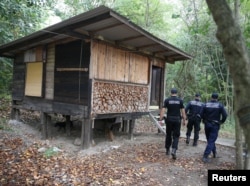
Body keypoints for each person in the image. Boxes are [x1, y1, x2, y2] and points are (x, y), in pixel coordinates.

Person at [159, 88, 186, 160]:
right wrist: (184, 120)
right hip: (177, 120)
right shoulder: (180, 101)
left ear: (171, 93)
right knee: (176, 136)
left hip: (169, 119)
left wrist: (160, 119)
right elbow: (183, 111)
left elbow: (163, 110)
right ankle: (174, 149)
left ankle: (167, 149)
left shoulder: (167, 100)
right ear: (176, 93)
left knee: (168, 134)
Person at [201, 92, 227, 163]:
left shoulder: (205, 104)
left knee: (210, 140)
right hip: (215, 125)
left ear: (211, 97)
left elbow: (201, 114)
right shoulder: (220, 105)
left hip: (207, 124)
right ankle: (205, 156)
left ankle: (214, 153)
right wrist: (221, 121)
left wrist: (204, 120)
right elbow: (225, 115)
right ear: (217, 98)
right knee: (211, 140)